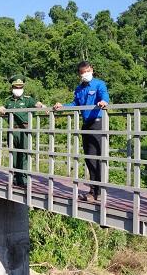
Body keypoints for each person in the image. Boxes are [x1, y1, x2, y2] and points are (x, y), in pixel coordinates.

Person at [53, 61, 109, 202]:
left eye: (87, 71)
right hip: (86, 125)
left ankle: (99, 191)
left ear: (92, 69)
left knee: (99, 158)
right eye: (83, 72)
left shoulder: (98, 84)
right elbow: (75, 104)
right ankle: (93, 191)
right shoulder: (79, 89)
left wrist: (103, 101)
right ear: (79, 74)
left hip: (97, 123)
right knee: (90, 159)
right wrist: (62, 106)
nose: (85, 74)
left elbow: (104, 95)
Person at [0, 75, 46, 187]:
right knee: (14, 155)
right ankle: (15, 177)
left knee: (24, 155)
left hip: (24, 130)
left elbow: (36, 104)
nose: (18, 89)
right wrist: (0, 108)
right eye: (16, 87)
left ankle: (23, 179)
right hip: (12, 130)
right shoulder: (8, 101)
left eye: (20, 87)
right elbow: (2, 108)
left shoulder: (27, 99)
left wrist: (42, 106)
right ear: (12, 87)